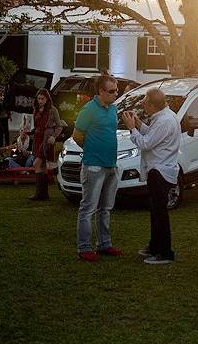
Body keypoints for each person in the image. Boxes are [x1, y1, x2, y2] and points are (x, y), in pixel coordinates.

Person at [121, 88, 181, 265]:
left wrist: (132, 129)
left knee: (159, 213)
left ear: (153, 105)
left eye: (145, 103)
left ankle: (165, 252)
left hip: (160, 171)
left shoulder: (164, 121)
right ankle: (155, 246)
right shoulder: (164, 117)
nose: (143, 105)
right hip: (160, 169)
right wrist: (139, 124)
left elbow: (146, 143)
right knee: (155, 211)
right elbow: (152, 134)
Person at [74, 74, 123, 261]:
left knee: (105, 208)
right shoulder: (88, 109)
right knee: (88, 208)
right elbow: (78, 135)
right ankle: (84, 247)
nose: (115, 94)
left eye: (116, 90)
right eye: (111, 91)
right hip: (93, 166)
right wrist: (92, 150)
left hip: (111, 165)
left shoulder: (113, 109)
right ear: (101, 91)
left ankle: (104, 244)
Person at [29, 88, 62, 201]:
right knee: (42, 166)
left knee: (36, 164)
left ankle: (39, 193)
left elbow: (59, 125)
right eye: (38, 98)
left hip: (47, 139)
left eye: (42, 98)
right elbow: (37, 125)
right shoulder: (36, 109)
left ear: (47, 99)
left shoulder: (53, 110)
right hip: (37, 138)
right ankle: (44, 194)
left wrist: (54, 136)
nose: (40, 101)